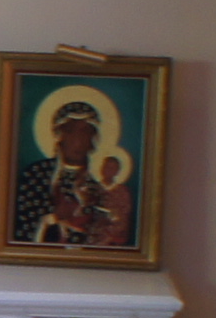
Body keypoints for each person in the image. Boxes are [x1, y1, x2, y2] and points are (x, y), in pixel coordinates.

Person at [9, 92, 138, 253]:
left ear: (94, 139)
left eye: (86, 132)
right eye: (70, 131)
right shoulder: (36, 174)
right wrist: (53, 218)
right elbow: (22, 229)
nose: (78, 141)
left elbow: (109, 231)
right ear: (58, 135)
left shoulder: (97, 183)